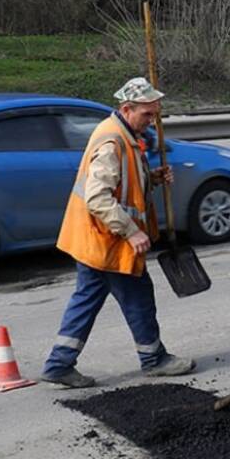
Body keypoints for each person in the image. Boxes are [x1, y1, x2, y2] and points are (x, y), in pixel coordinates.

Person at [41, 77, 197, 388]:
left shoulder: (125, 135)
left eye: (155, 115)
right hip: (109, 240)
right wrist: (131, 232)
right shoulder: (112, 142)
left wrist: (151, 178)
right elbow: (99, 197)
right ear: (127, 109)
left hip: (95, 240)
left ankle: (59, 363)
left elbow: (124, 186)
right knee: (139, 297)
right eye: (146, 115)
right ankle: (154, 359)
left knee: (87, 299)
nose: (152, 122)